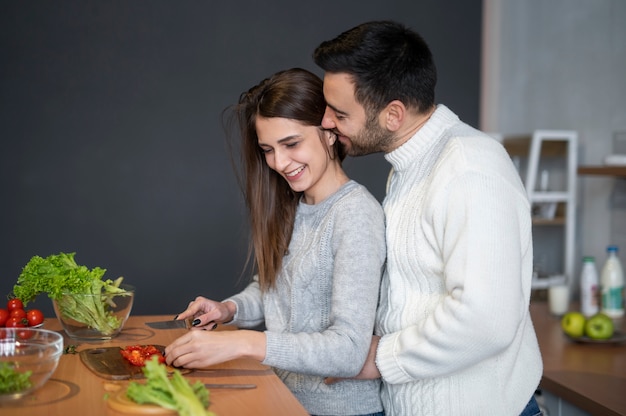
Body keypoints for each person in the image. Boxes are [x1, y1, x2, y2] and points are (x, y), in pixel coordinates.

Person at [313, 21, 543, 416]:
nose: (327, 123)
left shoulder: (470, 167)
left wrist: (379, 357)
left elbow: (485, 320)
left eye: (339, 113)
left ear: (393, 114)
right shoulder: (412, 166)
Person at [164, 68, 386, 416]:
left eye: (291, 143)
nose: (279, 163)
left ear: (329, 132)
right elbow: (280, 292)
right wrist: (229, 310)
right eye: (268, 149)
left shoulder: (356, 214)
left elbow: (348, 350)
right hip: (285, 400)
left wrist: (242, 342)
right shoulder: (296, 205)